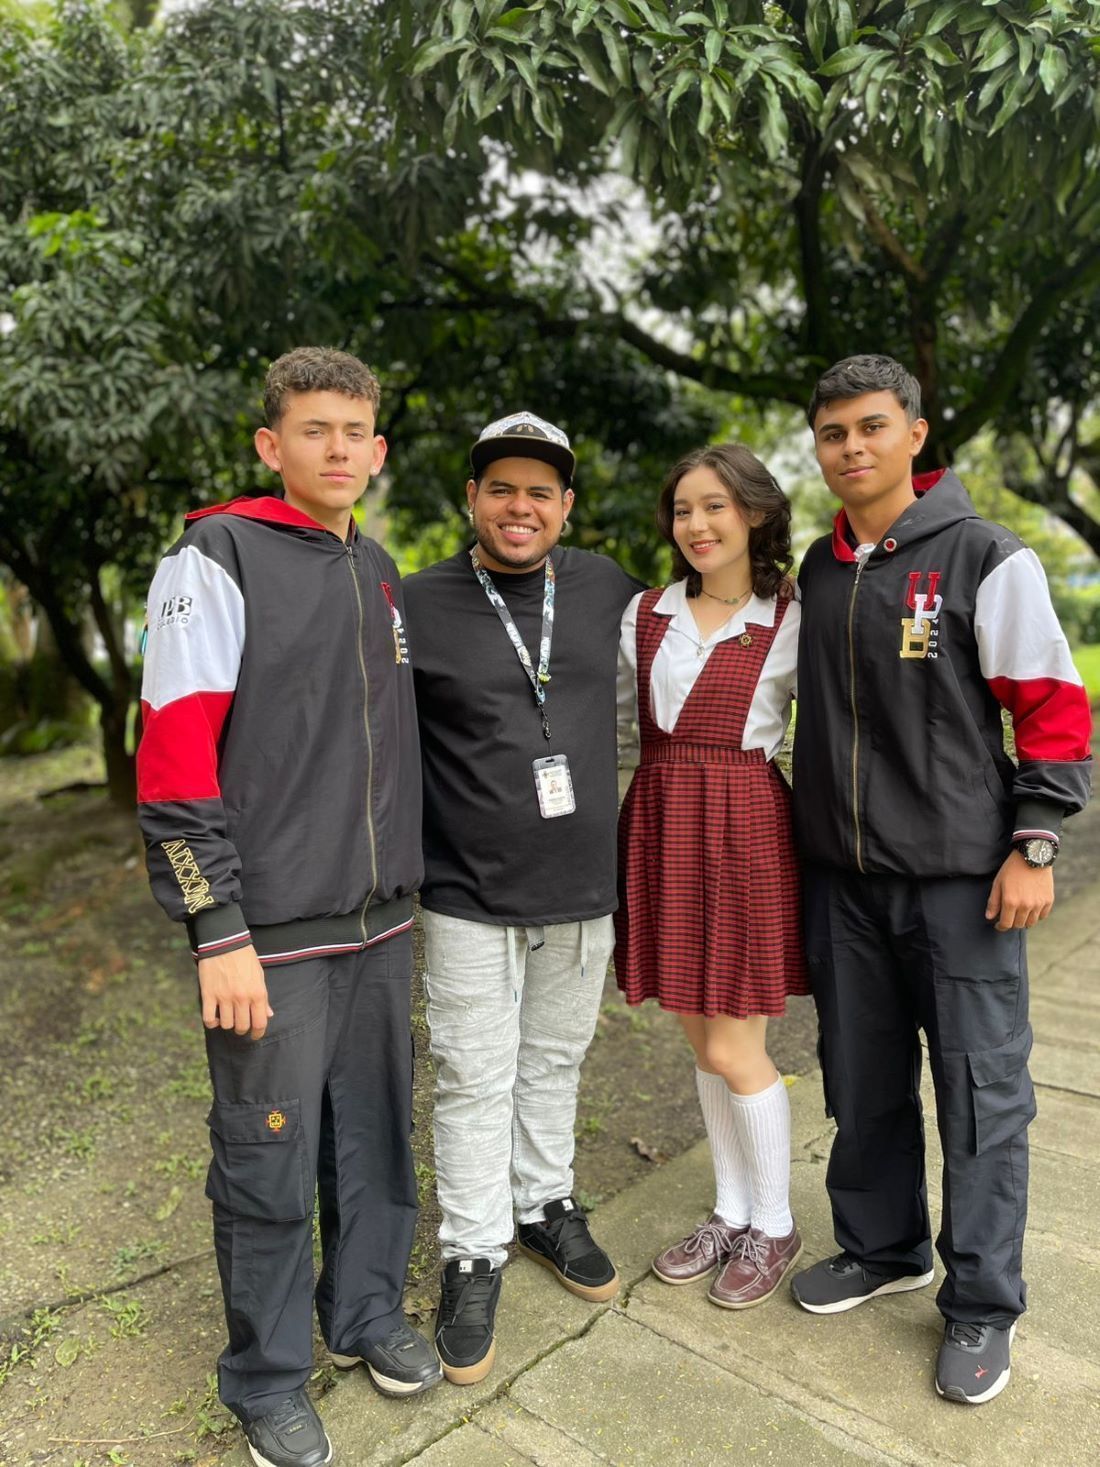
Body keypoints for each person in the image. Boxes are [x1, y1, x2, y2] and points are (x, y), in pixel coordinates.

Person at [137, 347, 439, 1467]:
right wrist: (215, 927)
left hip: (381, 924)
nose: (338, 450)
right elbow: (172, 758)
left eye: (356, 432)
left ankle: (361, 1317)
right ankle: (264, 1378)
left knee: (372, 1141)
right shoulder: (215, 555)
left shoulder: (379, 568)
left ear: (379, 449)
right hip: (268, 936)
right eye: (314, 430)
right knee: (265, 1155)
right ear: (271, 444)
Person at [790, 354, 1092, 1404]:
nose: (851, 449)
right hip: (843, 886)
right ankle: (880, 1249)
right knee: (860, 1083)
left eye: (871, 427)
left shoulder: (981, 557)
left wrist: (1034, 841)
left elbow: (1052, 708)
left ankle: (978, 1305)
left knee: (979, 1097)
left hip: (963, 886)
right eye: (832, 434)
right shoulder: (815, 572)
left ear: (913, 434)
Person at [402, 411, 641, 1385]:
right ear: (470, 499)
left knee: (554, 1057)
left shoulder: (605, 590)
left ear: (566, 505)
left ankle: (543, 1204)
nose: (519, 506)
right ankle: (471, 1248)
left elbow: (660, 685)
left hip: (580, 881)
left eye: (540, 491)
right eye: (500, 487)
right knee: (470, 1071)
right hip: (462, 887)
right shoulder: (414, 602)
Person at [615, 444, 809, 1310]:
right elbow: (620, 722)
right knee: (700, 1041)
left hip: (744, 828)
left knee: (739, 1045)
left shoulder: (790, 614)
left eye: (716, 507)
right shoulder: (646, 612)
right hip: (661, 819)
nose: (696, 524)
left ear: (756, 514)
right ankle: (729, 1209)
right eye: (684, 509)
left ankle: (775, 1222)